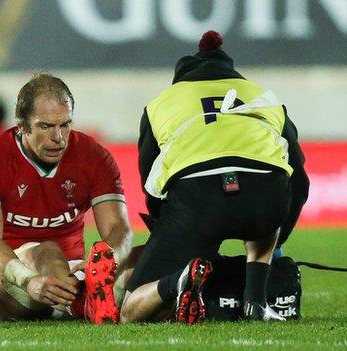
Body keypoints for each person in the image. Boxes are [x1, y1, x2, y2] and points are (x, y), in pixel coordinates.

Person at [120, 31, 309, 324]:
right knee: (272, 177)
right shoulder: (264, 97)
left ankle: (177, 281)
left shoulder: (162, 103)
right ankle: (255, 302)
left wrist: (168, 232)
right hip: (265, 196)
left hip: (197, 199)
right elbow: (299, 180)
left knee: (131, 310)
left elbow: (151, 182)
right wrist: (279, 233)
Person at [0, 73, 133, 324]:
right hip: (7, 278)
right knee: (47, 251)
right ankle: (84, 303)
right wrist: (28, 280)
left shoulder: (94, 157)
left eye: (65, 125)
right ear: (22, 125)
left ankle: (87, 300)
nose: (58, 138)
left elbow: (119, 230)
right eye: (45, 126)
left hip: (73, 272)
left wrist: (105, 259)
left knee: (143, 256)